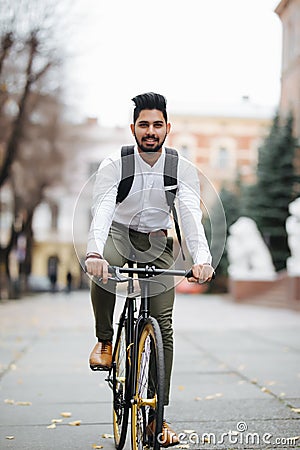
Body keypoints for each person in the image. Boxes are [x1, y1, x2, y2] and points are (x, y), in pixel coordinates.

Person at [85, 92, 214, 446]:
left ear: (167, 128)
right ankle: (105, 340)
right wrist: (95, 252)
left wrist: (202, 259)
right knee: (103, 271)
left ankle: (159, 420)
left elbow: (190, 217)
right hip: (118, 234)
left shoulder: (181, 169)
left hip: (158, 242)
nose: (151, 131)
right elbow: (102, 210)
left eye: (157, 124)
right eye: (144, 124)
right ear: (133, 128)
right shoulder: (115, 164)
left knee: (164, 326)